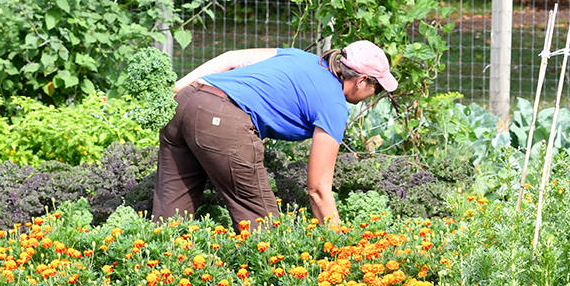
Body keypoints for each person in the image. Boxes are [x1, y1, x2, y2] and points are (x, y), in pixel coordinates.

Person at [152, 41, 398, 228]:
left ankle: (154, 277)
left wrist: (177, 90)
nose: (373, 95)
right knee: (264, 231)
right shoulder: (333, 104)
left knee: (170, 217)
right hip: (222, 120)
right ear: (362, 80)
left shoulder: (299, 56)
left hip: (185, 101)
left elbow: (230, 58)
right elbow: (318, 189)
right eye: (376, 88)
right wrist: (339, 246)